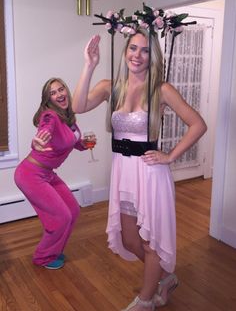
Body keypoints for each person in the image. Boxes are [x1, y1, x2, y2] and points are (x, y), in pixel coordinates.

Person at [72, 27, 207, 311]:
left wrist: (170, 156)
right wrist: (89, 65)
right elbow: (78, 105)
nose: (138, 55)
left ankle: (146, 301)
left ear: (152, 56)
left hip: (150, 174)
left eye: (145, 50)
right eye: (133, 48)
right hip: (123, 172)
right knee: (130, 238)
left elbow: (198, 124)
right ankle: (165, 278)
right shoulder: (112, 86)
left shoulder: (161, 89)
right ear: (125, 52)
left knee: (150, 242)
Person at [14, 77, 88, 270]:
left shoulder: (69, 118)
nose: (59, 94)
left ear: (67, 91)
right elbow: (44, 129)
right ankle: (42, 257)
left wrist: (84, 143)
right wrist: (36, 141)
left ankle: (54, 251)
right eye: (53, 93)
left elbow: (71, 141)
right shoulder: (50, 116)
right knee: (61, 216)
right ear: (48, 99)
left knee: (73, 210)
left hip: (47, 173)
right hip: (30, 174)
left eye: (61, 89)